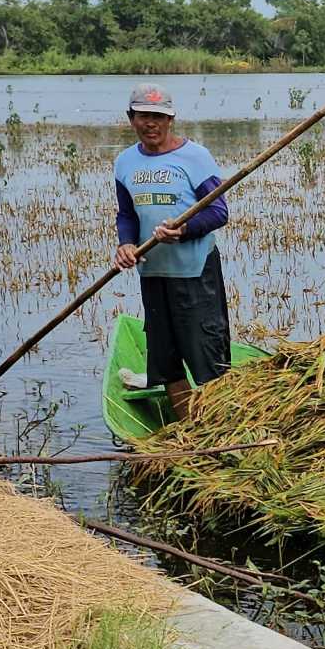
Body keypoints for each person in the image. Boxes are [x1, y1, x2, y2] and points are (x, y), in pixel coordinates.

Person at [111, 83, 231, 421]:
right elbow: (127, 214)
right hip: (153, 273)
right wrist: (126, 244)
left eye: (159, 117)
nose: (151, 123)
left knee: (207, 355)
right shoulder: (125, 162)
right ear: (131, 118)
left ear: (171, 119)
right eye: (144, 116)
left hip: (194, 273)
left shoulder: (195, 157)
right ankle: (185, 430)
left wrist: (184, 230)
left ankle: (217, 428)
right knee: (165, 361)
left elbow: (219, 212)